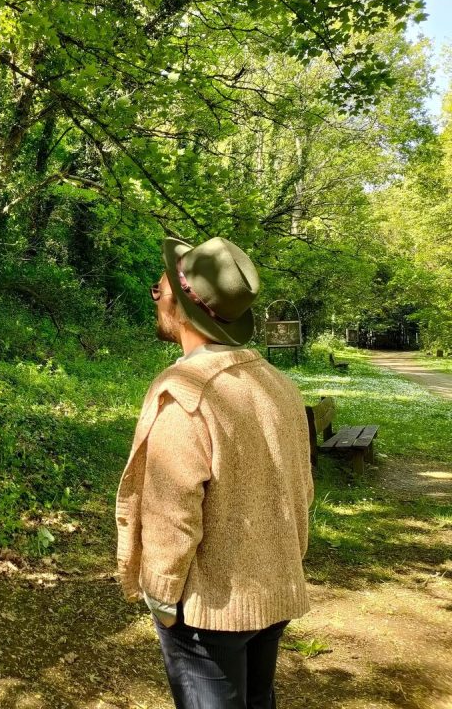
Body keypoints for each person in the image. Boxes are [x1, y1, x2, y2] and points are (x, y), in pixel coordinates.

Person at [115, 237, 314, 709]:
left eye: (158, 290)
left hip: (207, 612)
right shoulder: (279, 385)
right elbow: (301, 488)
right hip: (275, 591)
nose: (155, 298)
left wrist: (162, 598)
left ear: (183, 309)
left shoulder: (186, 392)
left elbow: (171, 508)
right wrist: (286, 560)